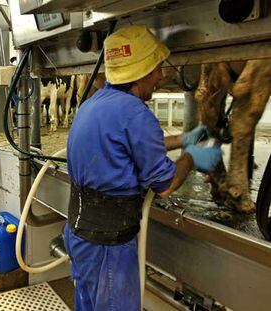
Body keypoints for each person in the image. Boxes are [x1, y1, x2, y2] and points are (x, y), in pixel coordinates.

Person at [63, 25, 222, 311]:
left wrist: (183, 139)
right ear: (139, 71)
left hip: (79, 235)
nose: (161, 76)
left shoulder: (94, 104)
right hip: (109, 247)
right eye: (156, 68)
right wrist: (191, 157)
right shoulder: (136, 113)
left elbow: (131, 142)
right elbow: (166, 185)